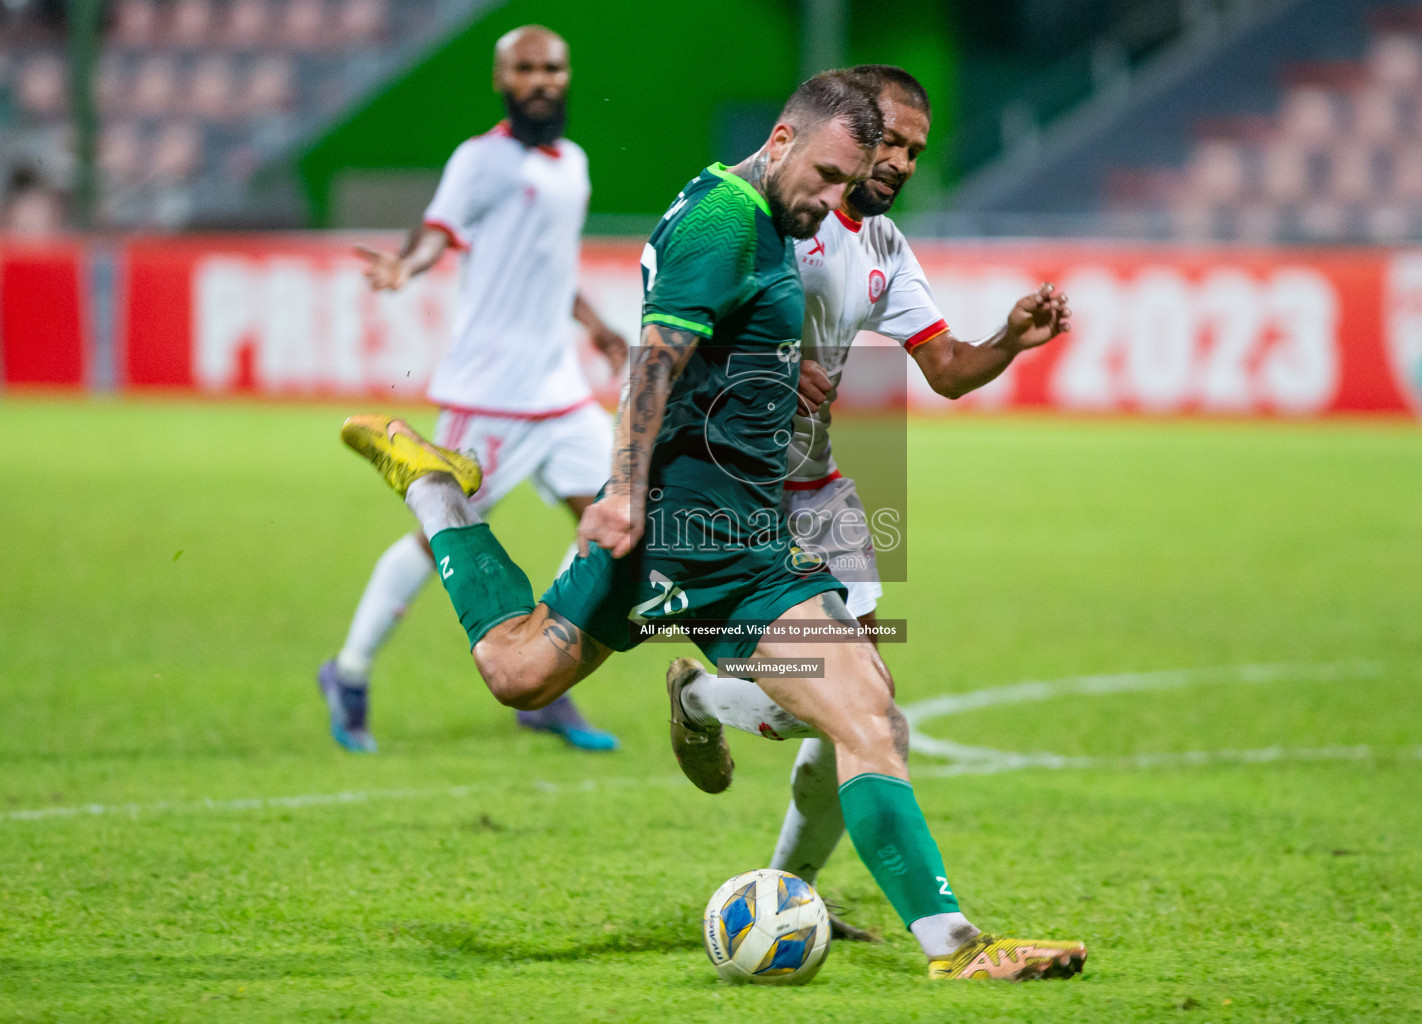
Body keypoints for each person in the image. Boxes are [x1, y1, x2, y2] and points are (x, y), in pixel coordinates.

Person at [338, 69, 1085, 981]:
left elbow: (786, 351)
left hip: (759, 543)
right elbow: (656, 358)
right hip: (668, 533)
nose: (838, 198)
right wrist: (619, 492)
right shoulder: (723, 219)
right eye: (833, 175)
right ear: (783, 140)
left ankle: (958, 947)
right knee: (517, 671)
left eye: (857, 182)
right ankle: (436, 491)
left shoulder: (793, 220)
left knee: (871, 716)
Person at [662, 65, 1072, 941]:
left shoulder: (882, 246)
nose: (905, 164)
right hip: (732, 494)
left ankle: (783, 891)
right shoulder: (768, 213)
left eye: (919, 152)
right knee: (857, 705)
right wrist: (763, 359)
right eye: (892, 143)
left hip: (824, 497)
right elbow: (675, 326)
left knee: (857, 710)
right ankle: (700, 700)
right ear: (848, 131)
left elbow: (948, 370)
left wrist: (1008, 338)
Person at [318, 25, 624, 754]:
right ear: (501, 79)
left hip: (561, 390)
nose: (542, 80)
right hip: (490, 393)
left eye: (552, 67)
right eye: (526, 69)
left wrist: (597, 326)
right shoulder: (480, 160)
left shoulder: (572, 163)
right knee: (438, 537)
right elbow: (437, 230)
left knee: (612, 526)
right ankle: (350, 670)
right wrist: (406, 266)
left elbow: (549, 266)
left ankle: (545, 686)